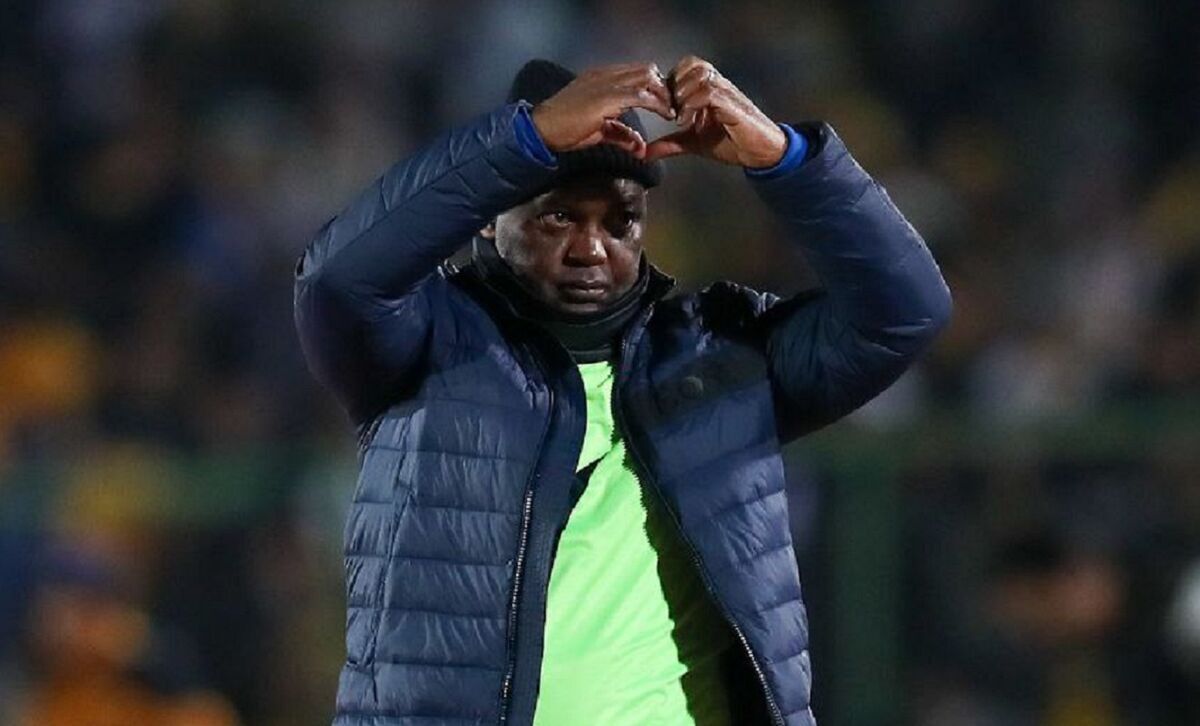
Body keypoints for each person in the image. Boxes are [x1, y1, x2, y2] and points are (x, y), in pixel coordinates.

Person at [294, 55, 951, 726]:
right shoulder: (427, 341)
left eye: (620, 222)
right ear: (490, 218)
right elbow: (335, 282)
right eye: (559, 218)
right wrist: (524, 141)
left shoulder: (721, 353)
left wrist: (786, 161)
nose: (591, 249)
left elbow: (905, 313)